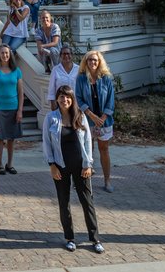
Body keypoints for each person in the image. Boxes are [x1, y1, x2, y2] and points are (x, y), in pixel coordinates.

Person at [43, 85, 104, 254]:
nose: (65, 100)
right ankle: (69, 238)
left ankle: (95, 239)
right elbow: (47, 144)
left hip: (81, 166)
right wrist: (52, 165)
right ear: (57, 99)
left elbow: (87, 143)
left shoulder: (80, 116)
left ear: (72, 99)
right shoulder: (50, 118)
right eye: (61, 97)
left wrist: (88, 164)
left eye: (68, 97)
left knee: (87, 202)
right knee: (64, 202)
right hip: (60, 166)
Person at [75, 50, 115, 192]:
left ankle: (107, 180)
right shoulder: (80, 78)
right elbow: (78, 98)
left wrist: (102, 118)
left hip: (104, 121)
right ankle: (84, 180)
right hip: (87, 120)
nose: (92, 62)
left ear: (99, 62)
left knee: (104, 149)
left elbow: (111, 100)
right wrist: (91, 115)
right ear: (86, 62)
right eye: (90, 60)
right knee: (87, 149)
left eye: (95, 60)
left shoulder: (106, 79)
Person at [0, 44, 23, 175]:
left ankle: (10, 164)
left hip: (13, 108)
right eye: (2, 53)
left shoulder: (17, 71)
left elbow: (21, 91)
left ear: (10, 55)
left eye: (7, 53)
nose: (5, 55)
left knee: (11, 138)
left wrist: (20, 110)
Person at [47, 45, 80, 112]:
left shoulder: (78, 69)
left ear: (72, 55)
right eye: (64, 54)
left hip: (76, 103)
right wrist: (53, 106)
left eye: (68, 53)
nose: (66, 56)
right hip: (61, 103)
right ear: (60, 56)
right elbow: (51, 89)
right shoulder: (55, 70)